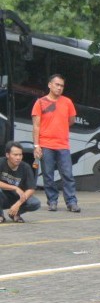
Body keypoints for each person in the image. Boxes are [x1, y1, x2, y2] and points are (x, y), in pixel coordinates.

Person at [31, 74, 80, 213]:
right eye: (57, 84)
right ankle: (52, 201)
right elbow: (36, 126)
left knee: (67, 174)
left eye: (62, 86)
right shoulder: (40, 102)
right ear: (49, 85)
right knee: (48, 174)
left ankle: (71, 202)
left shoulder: (67, 102)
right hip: (45, 144)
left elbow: (71, 121)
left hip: (63, 144)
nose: (59, 88)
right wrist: (36, 145)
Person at [0, 141, 41, 223]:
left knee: (35, 203)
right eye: (15, 155)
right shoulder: (1, 162)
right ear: (8, 155)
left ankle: (15, 214)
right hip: (2, 196)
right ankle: (0, 215)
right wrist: (14, 187)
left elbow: (31, 189)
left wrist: (18, 203)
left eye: (20, 155)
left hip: (16, 197)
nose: (18, 158)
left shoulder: (25, 167)